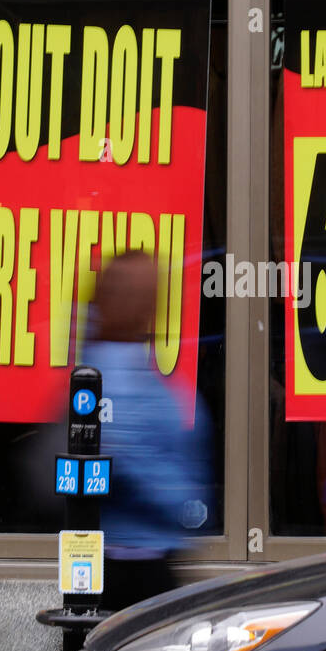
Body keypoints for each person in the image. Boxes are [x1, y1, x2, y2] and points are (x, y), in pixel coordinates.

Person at [82, 251, 211, 611]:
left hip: (108, 561)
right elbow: (188, 502)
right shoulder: (150, 388)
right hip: (137, 564)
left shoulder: (97, 373)